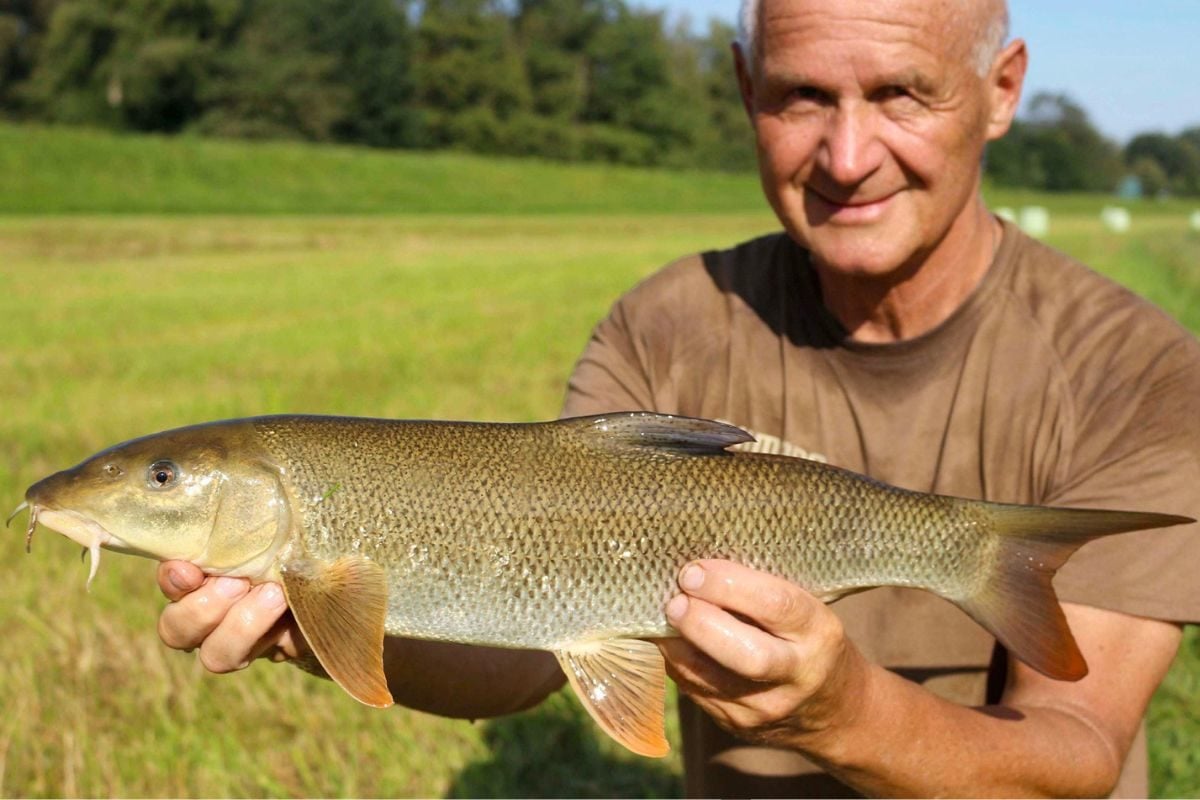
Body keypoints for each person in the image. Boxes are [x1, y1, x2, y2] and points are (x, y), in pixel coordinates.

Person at [155, 0, 1200, 795]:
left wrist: (847, 714)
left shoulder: (1141, 369)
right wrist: (322, 620)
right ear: (746, 85)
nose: (845, 156)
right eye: (801, 95)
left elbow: (1075, 753)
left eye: (899, 94)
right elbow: (526, 666)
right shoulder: (666, 325)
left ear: (1003, 89)